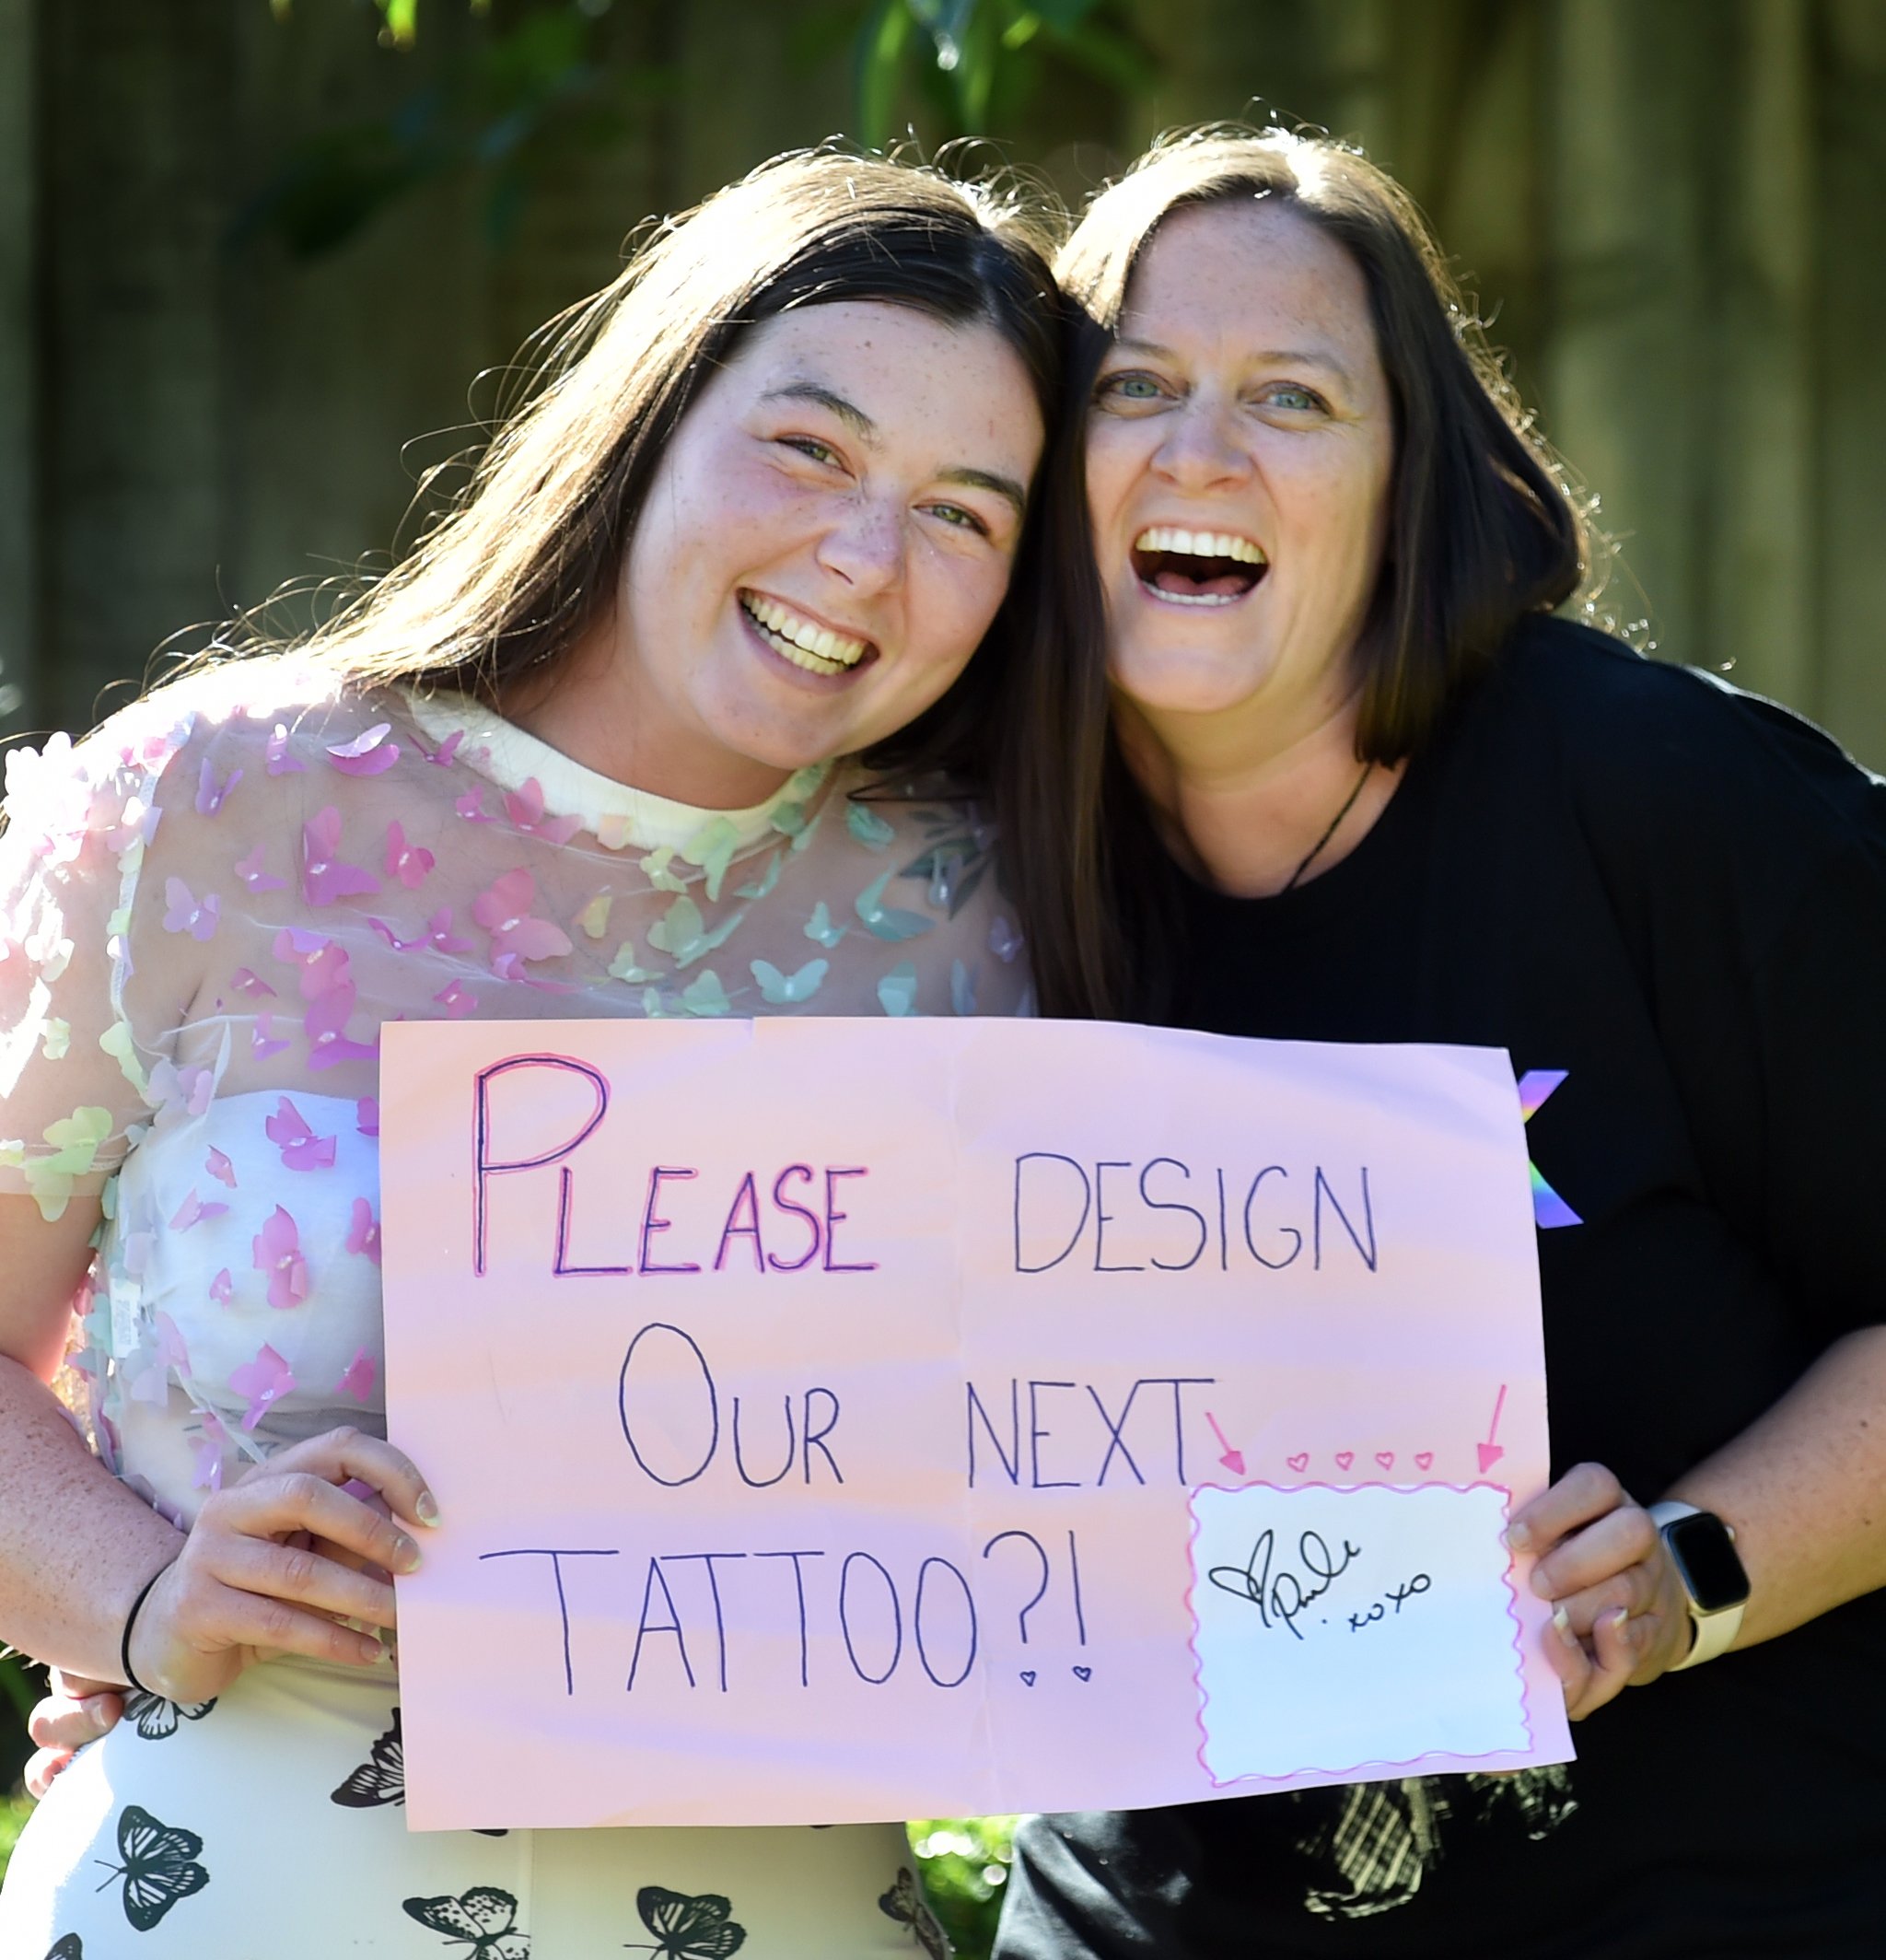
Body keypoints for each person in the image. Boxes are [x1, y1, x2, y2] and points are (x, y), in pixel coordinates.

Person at [0, 146, 1066, 1955]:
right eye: (807, 447)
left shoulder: (992, 916)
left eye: (965, 510)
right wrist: (140, 1588)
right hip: (230, 1899)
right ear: (649, 417)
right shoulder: (214, 802)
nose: (864, 554)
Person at [994, 128, 1886, 1958]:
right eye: (1132, 385)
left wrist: (1692, 1565)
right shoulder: (949, 861)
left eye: (1292, 396)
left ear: (1411, 485)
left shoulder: (1666, 802)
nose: (1196, 448)